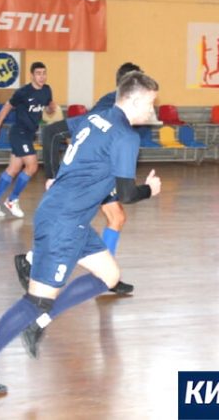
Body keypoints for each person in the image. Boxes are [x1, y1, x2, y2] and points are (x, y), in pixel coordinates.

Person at [0, 71, 161, 394]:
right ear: (134, 101)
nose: (152, 111)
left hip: (72, 219)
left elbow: (53, 133)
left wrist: (54, 176)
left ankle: (39, 322)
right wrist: (150, 189)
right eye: (150, 104)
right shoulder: (126, 136)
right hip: (63, 223)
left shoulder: (96, 117)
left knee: (109, 275)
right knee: (36, 301)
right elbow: (125, 194)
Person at [32, 62, 144, 297]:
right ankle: (103, 277)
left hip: (97, 172)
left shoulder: (111, 103)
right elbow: (81, 131)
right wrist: (53, 175)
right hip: (92, 174)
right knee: (97, 219)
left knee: (116, 217)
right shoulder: (111, 105)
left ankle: (107, 275)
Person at [0, 62, 55, 218]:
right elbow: (6, 107)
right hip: (19, 133)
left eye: (44, 73)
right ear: (32, 75)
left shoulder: (47, 90)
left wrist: (51, 108)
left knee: (13, 169)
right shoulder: (23, 92)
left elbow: (49, 106)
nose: (42, 76)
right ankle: (12, 199)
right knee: (32, 166)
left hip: (29, 134)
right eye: (38, 73)